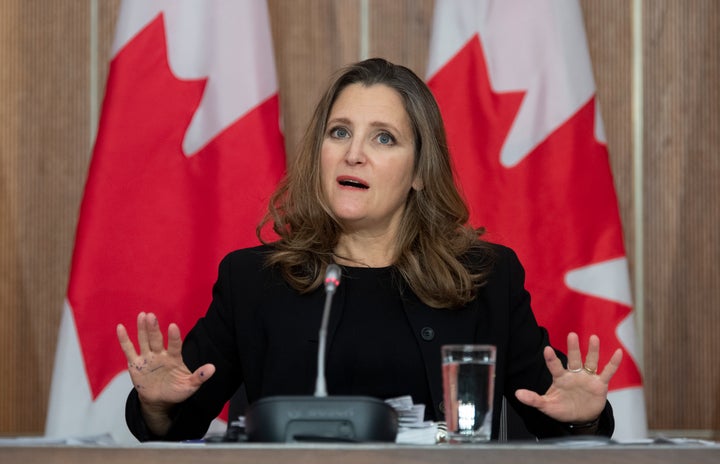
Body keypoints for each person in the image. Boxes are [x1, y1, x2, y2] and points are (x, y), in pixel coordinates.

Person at [117, 57, 622, 442]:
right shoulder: (253, 280)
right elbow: (177, 423)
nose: (354, 152)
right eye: (339, 133)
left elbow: (551, 412)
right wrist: (158, 405)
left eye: (384, 138)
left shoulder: (485, 278)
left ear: (421, 172)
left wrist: (586, 414)